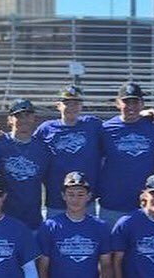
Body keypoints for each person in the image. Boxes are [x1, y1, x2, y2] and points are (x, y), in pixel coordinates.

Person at [97, 82, 154, 226]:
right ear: (117, 103)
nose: (131, 106)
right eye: (126, 102)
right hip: (112, 204)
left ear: (142, 103)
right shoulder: (106, 129)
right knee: (110, 248)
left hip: (144, 204)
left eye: (135, 102)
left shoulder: (152, 126)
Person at [33, 85, 104, 219]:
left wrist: (143, 114)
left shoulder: (93, 124)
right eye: (67, 103)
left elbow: (117, 127)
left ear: (81, 105)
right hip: (56, 200)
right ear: (58, 105)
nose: (71, 107)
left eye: (75, 103)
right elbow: (28, 146)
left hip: (86, 200)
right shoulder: (46, 129)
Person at [0, 99, 50, 233]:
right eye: (18, 116)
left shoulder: (42, 148)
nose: (23, 120)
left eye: (27, 115)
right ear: (10, 120)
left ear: (34, 118)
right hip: (4, 220)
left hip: (32, 221)